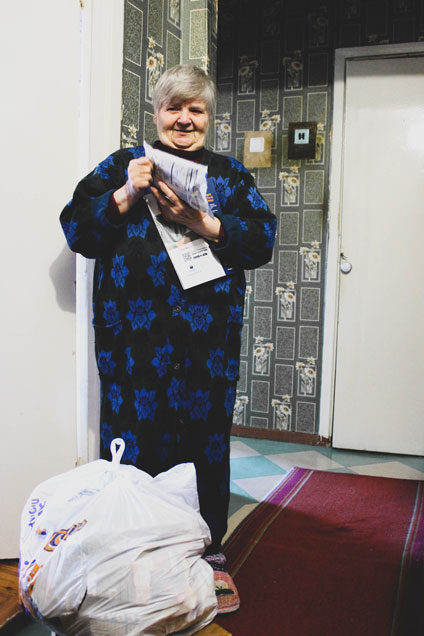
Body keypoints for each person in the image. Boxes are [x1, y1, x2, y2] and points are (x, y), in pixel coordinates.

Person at [60, 64, 276, 614]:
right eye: (173, 108)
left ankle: (209, 555)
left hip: (208, 343)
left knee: (203, 441)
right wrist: (124, 197)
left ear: (209, 117)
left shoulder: (229, 177)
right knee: (134, 442)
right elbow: (77, 228)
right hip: (130, 341)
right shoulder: (120, 166)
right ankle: (135, 549)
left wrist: (208, 225)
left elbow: (262, 240)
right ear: (156, 114)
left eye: (195, 109)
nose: (184, 119)